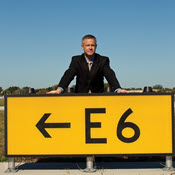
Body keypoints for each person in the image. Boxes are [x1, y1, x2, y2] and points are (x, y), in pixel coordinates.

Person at [47, 34, 127, 94]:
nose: (90, 48)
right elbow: (68, 75)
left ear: (96, 46)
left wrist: (118, 89)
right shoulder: (76, 60)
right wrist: (59, 90)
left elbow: (110, 75)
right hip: (80, 97)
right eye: (87, 45)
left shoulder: (103, 60)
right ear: (82, 47)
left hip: (98, 97)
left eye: (92, 45)